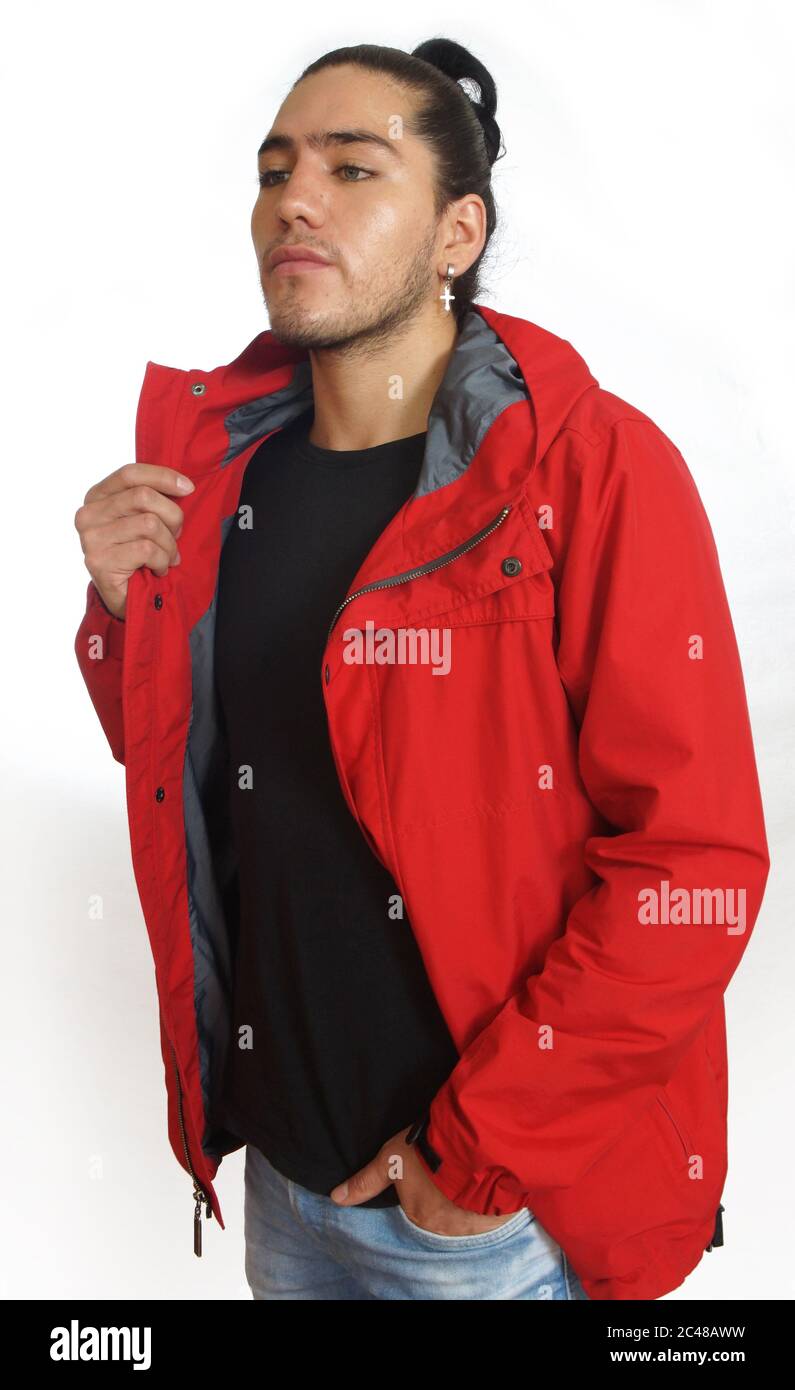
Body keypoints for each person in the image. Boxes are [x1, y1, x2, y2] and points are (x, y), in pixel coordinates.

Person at [73, 38, 769, 1301]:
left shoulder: (588, 471)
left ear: (458, 233)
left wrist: (472, 1162)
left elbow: (696, 866)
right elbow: (201, 776)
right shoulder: (220, 483)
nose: (296, 197)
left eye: (354, 168)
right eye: (276, 167)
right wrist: (123, 613)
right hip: (287, 1186)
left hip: (489, 1219)